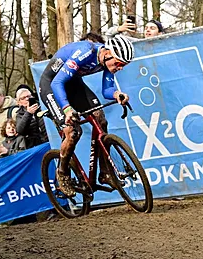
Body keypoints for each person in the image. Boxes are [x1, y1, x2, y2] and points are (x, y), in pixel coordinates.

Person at [38, 35, 134, 197]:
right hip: (52, 84)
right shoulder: (86, 52)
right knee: (73, 131)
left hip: (73, 83)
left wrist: (117, 94)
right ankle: (62, 174)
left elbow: (106, 90)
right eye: (118, 63)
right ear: (108, 53)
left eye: (123, 65)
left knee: (100, 119)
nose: (120, 68)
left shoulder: (106, 61)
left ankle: (105, 172)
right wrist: (67, 109)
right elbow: (57, 83)